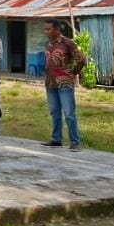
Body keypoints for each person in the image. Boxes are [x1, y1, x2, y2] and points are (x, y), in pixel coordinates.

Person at [39, 19, 85, 151]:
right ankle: (56, 139)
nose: (46, 32)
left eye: (49, 29)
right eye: (45, 29)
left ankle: (75, 141)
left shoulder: (67, 43)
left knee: (69, 113)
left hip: (64, 83)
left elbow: (81, 60)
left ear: (57, 29)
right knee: (54, 112)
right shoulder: (47, 44)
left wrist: (72, 74)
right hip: (50, 83)